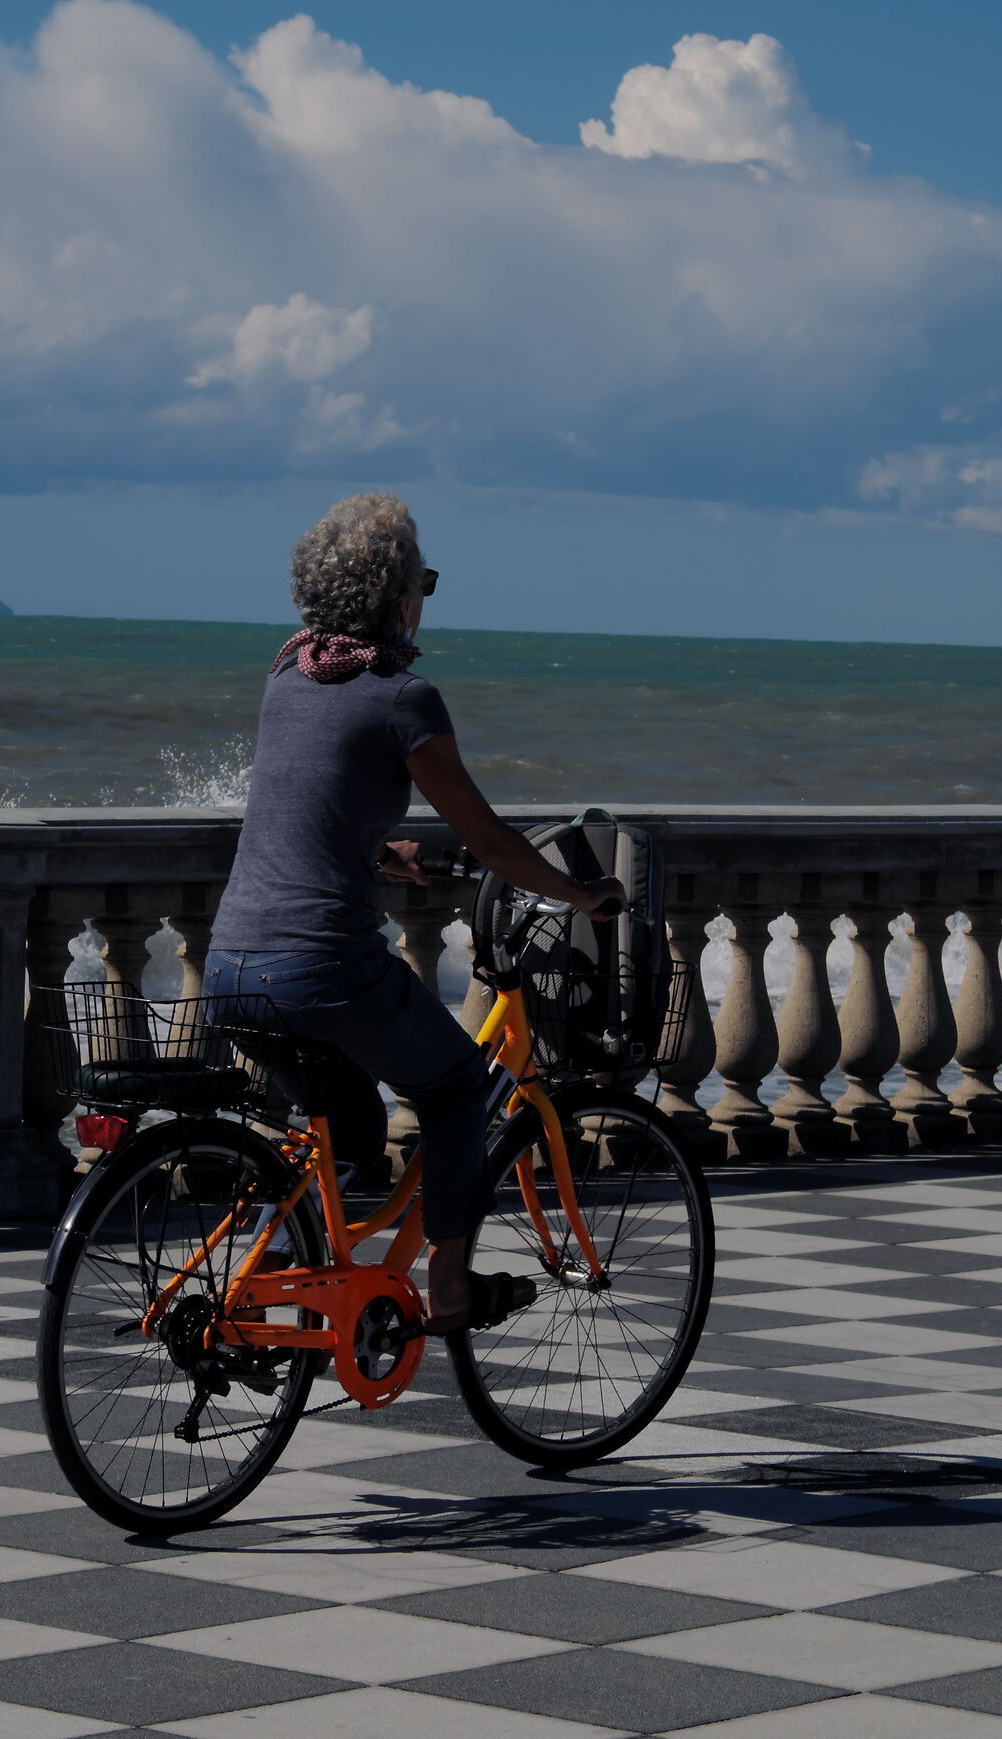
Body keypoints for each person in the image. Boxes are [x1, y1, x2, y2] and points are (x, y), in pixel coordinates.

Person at [205, 493, 623, 1336]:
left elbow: (308, 807)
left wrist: (374, 853)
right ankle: (454, 1287)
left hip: (229, 966)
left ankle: (267, 1280)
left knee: (353, 1130)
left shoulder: (285, 675)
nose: (423, 600)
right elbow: (490, 839)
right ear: (398, 599)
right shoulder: (404, 698)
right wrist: (583, 894)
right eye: (423, 584)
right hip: (323, 968)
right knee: (459, 1084)